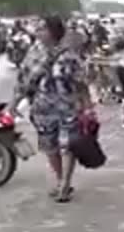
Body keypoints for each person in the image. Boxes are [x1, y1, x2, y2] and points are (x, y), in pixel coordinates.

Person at [15, 16, 90, 202]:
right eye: (38, 29)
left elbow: (81, 82)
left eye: (43, 28)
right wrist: (13, 103)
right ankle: (60, 179)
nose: (38, 32)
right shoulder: (33, 53)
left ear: (53, 32)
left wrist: (87, 106)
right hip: (42, 109)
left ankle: (65, 184)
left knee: (67, 146)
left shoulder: (69, 56)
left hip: (67, 107)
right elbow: (23, 80)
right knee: (50, 147)